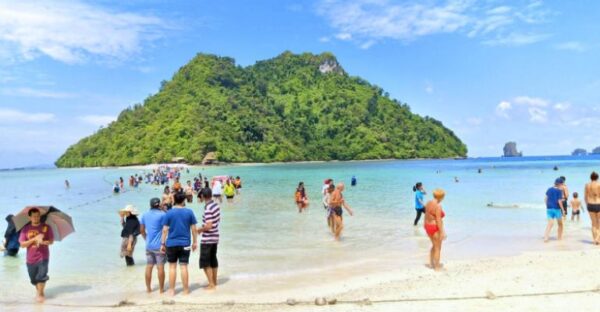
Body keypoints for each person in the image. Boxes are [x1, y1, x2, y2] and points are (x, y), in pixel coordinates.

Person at [160, 192, 198, 296]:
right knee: (184, 266)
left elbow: (164, 230)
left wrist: (162, 244)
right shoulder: (189, 212)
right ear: (184, 200)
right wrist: (195, 242)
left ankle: (172, 291)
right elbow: (194, 229)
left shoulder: (169, 213)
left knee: (172, 267)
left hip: (171, 244)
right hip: (185, 243)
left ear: (174, 200)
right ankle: (186, 291)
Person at [19, 208, 54, 303]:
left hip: (43, 256)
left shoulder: (46, 227)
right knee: (34, 279)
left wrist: (43, 241)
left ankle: (41, 294)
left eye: (38, 216)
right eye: (34, 216)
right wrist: (34, 239)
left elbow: (51, 241)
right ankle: (39, 291)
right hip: (30, 258)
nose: (36, 218)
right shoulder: (25, 229)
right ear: (29, 217)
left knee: (41, 276)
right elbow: (22, 245)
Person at [140, 198, 166, 293]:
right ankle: (161, 289)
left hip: (149, 245)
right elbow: (165, 230)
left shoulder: (144, 214)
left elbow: (142, 230)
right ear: (159, 205)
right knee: (160, 267)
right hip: (159, 245)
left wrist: (146, 239)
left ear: (150, 205)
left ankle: (148, 289)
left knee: (149, 266)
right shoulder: (163, 215)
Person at [198, 188, 221, 290]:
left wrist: (200, 230)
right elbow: (217, 221)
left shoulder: (208, 209)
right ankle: (214, 282)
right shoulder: (216, 205)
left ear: (203, 196)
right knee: (213, 260)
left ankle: (211, 284)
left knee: (205, 262)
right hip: (215, 236)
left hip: (207, 239)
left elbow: (209, 226)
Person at [423, 189, 446, 271]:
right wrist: (442, 232)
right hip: (434, 227)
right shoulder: (438, 206)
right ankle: (436, 267)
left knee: (434, 245)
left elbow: (426, 215)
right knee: (438, 248)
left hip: (427, 226)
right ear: (441, 197)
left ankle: (431, 263)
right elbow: (438, 220)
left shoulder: (428, 203)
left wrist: (425, 225)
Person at [544, 178, 565, 242]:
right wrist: (563, 210)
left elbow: (545, 199)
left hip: (549, 209)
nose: (562, 186)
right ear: (560, 184)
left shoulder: (549, 189)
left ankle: (546, 238)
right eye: (562, 184)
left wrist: (547, 206)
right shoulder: (559, 191)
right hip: (557, 209)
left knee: (550, 224)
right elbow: (559, 201)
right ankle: (559, 238)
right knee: (560, 224)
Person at [585, 171, 600, 244]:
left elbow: (585, 196)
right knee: (598, 223)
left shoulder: (587, 185)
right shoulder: (599, 184)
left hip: (590, 204)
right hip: (598, 204)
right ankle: (598, 239)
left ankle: (594, 240)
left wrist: (587, 205)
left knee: (593, 223)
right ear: (597, 177)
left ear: (591, 178)